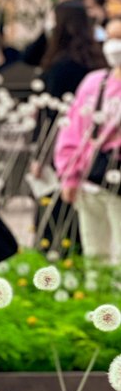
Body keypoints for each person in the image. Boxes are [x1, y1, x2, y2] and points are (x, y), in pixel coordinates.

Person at [53, 17, 121, 261]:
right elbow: (72, 132)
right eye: (111, 38)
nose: (115, 46)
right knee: (95, 253)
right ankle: (97, 297)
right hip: (91, 179)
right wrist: (68, 176)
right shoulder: (94, 82)